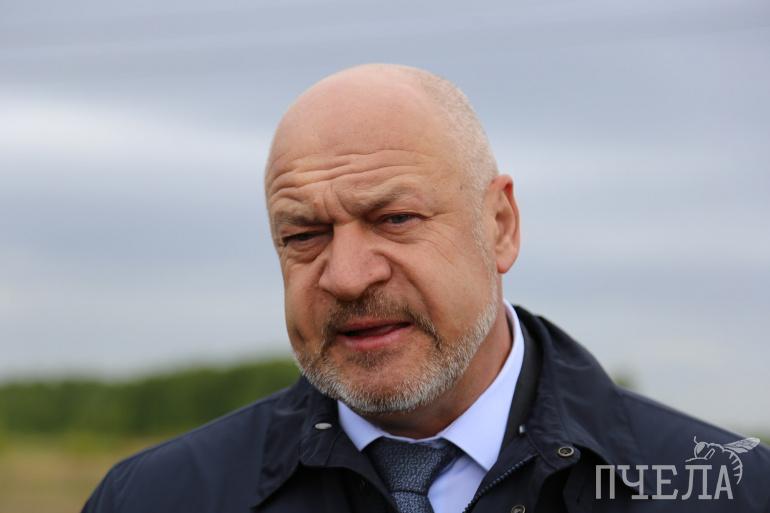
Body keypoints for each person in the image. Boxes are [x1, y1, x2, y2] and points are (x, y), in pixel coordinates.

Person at [82, 64, 770, 513]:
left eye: (395, 219)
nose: (348, 275)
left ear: (500, 226)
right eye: (305, 235)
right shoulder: (157, 499)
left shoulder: (728, 493)